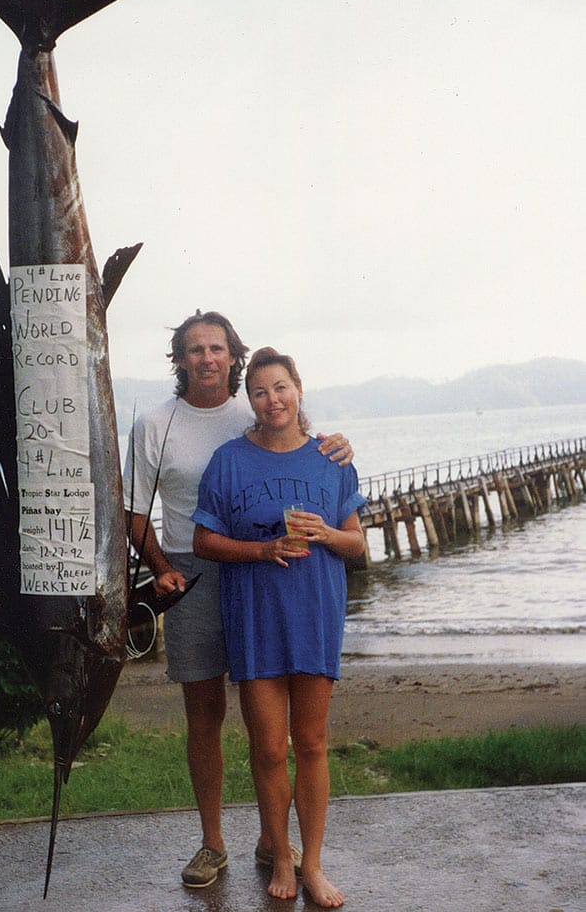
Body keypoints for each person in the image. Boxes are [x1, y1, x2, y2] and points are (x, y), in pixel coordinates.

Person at [122, 312, 354, 889]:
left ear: (234, 357)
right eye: (194, 349)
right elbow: (133, 512)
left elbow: (302, 447)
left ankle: (274, 839)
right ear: (179, 360)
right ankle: (212, 843)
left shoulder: (257, 404)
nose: (206, 358)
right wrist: (161, 569)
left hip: (275, 577)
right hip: (195, 571)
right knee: (205, 715)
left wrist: (340, 443)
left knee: (270, 726)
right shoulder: (155, 423)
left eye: (217, 348)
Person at [191, 346, 366, 908]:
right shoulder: (229, 460)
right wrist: (262, 548)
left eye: (282, 387)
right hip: (255, 617)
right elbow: (204, 541)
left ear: (299, 391)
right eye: (261, 391)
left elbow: (357, 543)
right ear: (250, 400)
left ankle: (312, 865)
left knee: (312, 743)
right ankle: (281, 852)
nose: (273, 399)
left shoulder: (331, 459)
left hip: (315, 614)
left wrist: (324, 533)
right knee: (268, 748)